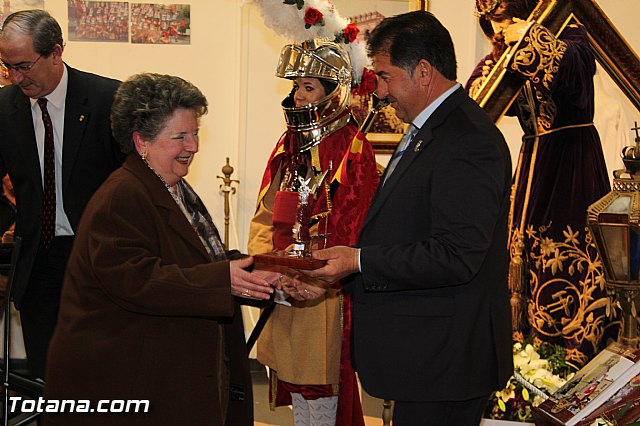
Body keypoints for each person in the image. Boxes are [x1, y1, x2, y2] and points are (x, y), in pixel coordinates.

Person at [303, 11, 514, 425]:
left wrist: (358, 261)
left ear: (423, 71)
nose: (379, 92)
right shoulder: (432, 130)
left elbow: (455, 254)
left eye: (384, 77)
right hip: (426, 358)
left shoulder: (469, 141)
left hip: (445, 360)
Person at [44, 73, 279, 426]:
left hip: (159, 372)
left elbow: (199, 258)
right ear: (141, 141)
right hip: (126, 382)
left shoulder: (169, 187)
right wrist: (221, 280)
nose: (194, 146)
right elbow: (135, 280)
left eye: (195, 133)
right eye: (180, 136)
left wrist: (258, 272)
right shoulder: (122, 195)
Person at [466, 0, 616, 367]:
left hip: (571, 162)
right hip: (532, 158)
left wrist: (533, 38)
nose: (497, 29)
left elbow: (577, 75)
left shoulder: (570, 34)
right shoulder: (500, 57)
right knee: (521, 247)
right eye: (491, 23)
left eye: (501, 20)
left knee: (564, 252)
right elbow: (475, 104)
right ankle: (524, 349)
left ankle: (571, 352)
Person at [248, 38, 379, 426]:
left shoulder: (355, 149)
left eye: (308, 87)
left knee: (321, 386)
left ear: (333, 92)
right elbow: (267, 214)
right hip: (285, 282)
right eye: (296, 86)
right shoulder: (287, 145)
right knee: (294, 384)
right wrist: (267, 266)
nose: (298, 96)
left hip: (323, 290)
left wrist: (311, 276)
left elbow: (355, 228)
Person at [0, 9, 124, 378]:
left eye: (24, 66)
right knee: (49, 375)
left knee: (102, 374)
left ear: (56, 52)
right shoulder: (5, 108)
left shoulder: (108, 99)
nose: (15, 78)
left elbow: (136, 181)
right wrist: (12, 221)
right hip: (38, 261)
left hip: (99, 258)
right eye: (7, 67)